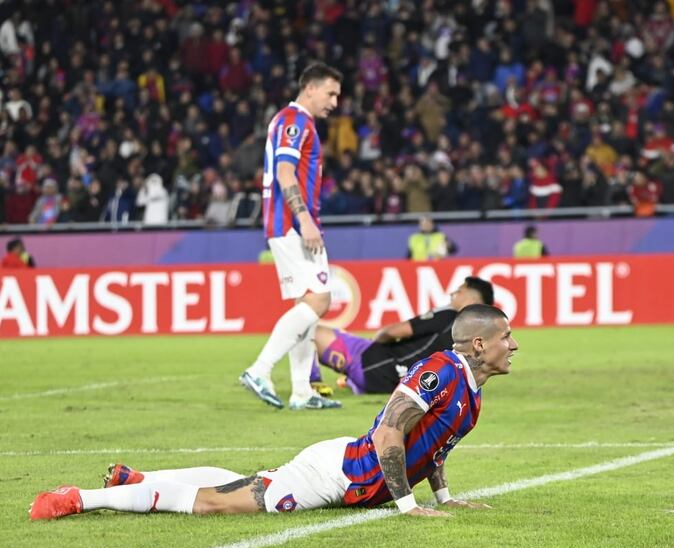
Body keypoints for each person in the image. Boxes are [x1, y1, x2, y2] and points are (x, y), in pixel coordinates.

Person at [29, 305, 518, 520]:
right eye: (506, 338)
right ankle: (80, 499)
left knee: (242, 482)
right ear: (479, 343)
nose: (513, 346)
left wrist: (445, 497)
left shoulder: (471, 391)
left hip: (349, 476)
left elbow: (433, 445)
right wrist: (409, 506)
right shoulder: (441, 370)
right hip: (336, 475)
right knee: (214, 503)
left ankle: (137, 477)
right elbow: (391, 428)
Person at [239, 63, 343, 410]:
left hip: (290, 223)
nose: (334, 102)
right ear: (310, 88)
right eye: (330, 93)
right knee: (319, 301)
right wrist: (304, 219)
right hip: (292, 224)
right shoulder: (295, 120)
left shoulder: (295, 121)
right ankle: (259, 370)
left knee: (308, 303)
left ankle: (302, 391)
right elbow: (285, 173)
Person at [310, 276, 495, 394]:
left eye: (459, 291)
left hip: (375, 364)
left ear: (472, 300)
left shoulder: (449, 316)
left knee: (310, 330)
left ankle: (311, 383)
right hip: (402, 385)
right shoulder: (477, 337)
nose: (453, 294)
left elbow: (391, 332)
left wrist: (376, 342)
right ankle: (351, 381)